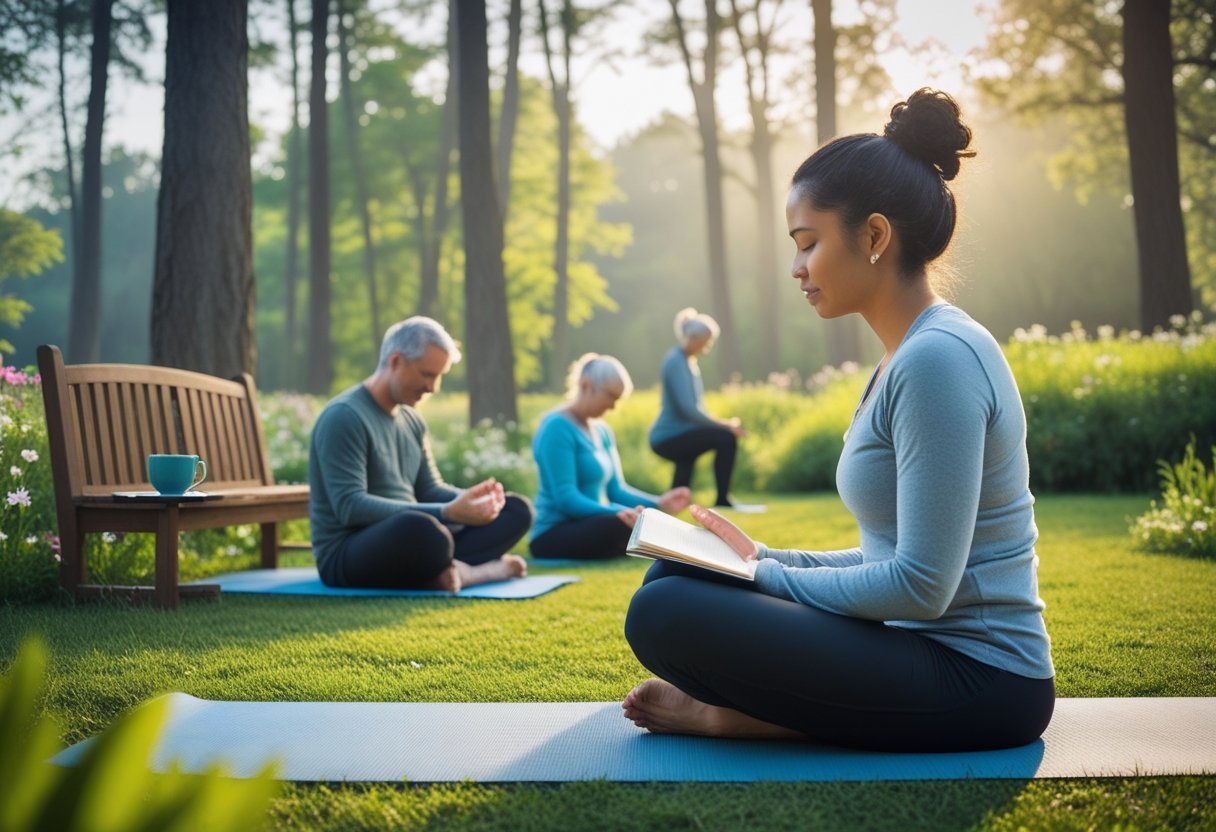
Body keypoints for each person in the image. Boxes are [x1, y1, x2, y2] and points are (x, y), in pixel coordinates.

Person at [622, 89, 1055, 752]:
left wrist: (765, 577)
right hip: (918, 652)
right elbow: (892, 556)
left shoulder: (939, 359)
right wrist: (762, 557)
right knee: (675, 576)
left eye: (809, 243)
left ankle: (737, 716)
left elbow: (920, 588)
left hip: (983, 681)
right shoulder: (902, 358)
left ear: (875, 236)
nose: (796, 268)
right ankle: (765, 710)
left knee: (663, 610)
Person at [308, 316, 534, 593]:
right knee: (423, 532)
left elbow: (429, 489)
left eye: (438, 376)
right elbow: (350, 507)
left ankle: (444, 572)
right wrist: (448, 512)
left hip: (415, 537)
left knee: (516, 510)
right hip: (351, 552)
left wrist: (471, 502)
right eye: (427, 374)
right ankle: (476, 572)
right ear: (395, 362)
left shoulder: (412, 420)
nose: (433, 387)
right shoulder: (344, 417)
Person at [530, 353, 691, 560]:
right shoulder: (556, 428)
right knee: (617, 525)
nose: (613, 407)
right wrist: (614, 513)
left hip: (598, 520)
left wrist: (658, 504)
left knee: (643, 521)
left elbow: (617, 490)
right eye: (610, 397)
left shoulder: (603, 431)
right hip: (554, 532)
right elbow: (566, 498)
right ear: (586, 385)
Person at [649, 308, 750, 510]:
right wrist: (726, 425)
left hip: (680, 434)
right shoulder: (676, 361)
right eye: (707, 341)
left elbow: (696, 409)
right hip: (668, 436)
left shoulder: (686, 362)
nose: (708, 346)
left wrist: (723, 424)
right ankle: (722, 499)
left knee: (687, 461)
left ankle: (673, 504)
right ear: (694, 338)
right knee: (725, 438)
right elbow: (689, 410)